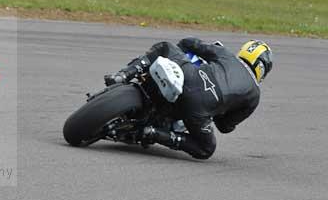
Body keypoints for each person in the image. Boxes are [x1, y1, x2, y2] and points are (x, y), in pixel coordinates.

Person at [105, 38, 272, 160]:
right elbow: (224, 126)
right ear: (263, 69)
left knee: (165, 47)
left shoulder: (226, 54)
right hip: (198, 111)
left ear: (244, 51)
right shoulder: (254, 96)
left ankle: (123, 75)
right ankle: (154, 134)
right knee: (206, 149)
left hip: (189, 76)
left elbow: (190, 43)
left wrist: (182, 52)